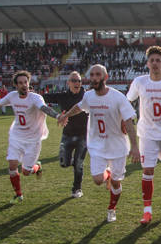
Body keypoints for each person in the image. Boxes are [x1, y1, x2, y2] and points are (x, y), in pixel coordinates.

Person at [58, 65, 140, 222]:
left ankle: (111, 209)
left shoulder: (118, 97)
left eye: (97, 75)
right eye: (92, 75)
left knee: (116, 183)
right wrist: (66, 115)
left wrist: (135, 147)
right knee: (97, 180)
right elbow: (79, 107)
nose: (94, 78)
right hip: (97, 145)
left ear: (105, 77)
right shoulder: (89, 96)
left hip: (117, 146)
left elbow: (129, 123)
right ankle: (107, 174)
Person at [0, 70, 60, 203]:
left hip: (33, 139)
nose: (24, 85)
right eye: (20, 83)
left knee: (26, 172)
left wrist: (58, 116)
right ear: (16, 85)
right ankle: (18, 194)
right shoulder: (12, 96)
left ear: (28, 83)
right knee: (12, 166)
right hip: (17, 136)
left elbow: (44, 108)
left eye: (25, 82)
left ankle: (37, 166)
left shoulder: (35, 98)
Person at [126, 45, 161, 225]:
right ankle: (147, 211)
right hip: (147, 133)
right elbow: (128, 101)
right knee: (148, 170)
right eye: (152, 60)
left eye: (158, 60)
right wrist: (125, 119)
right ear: (147, 63)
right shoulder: (139, 82)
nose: (155, 63)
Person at [44, 71, 87, 198]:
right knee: (64, 163)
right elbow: (42, 98)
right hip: (67, 135)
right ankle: (74, 161)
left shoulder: (87, 96)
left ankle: (77, 189)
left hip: (83, 136)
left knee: (79, 164)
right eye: (74, 80)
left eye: (79, 80)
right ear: (68, 83)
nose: (77, 83)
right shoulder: (61, 96)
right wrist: (29, 93)